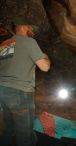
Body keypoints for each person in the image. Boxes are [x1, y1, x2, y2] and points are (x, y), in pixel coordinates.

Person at [0, 17, 50, 146]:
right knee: (25, 133)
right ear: (23, 27)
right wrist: (46, 57)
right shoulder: (29, 42)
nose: (32, 31)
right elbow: (45, 67)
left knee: (9, 128)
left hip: (3, 91)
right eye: (30, 28)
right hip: (20, 92)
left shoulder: (4, 44)